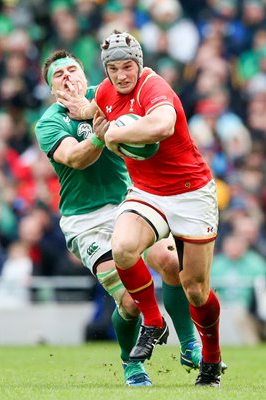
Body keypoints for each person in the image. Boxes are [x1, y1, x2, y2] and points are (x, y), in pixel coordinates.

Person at [63, 31, 225, 387]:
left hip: (190, 192)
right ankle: (153, 320)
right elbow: (93, 109)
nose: (122, 75)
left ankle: (211, 359)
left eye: (128, 66)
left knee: (195, 288)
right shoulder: (106, 90)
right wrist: (79, 108)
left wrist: (116, 135)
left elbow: (162, 124)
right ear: (106, 70)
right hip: (147, 192)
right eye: (114, 69)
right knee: (122, 248)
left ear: (140, 64)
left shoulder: (155, 88)